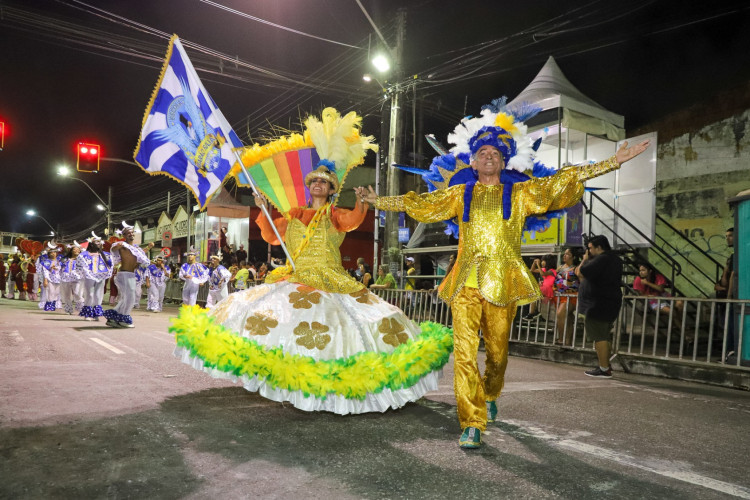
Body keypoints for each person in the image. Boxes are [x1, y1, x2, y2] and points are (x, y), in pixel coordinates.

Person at [365, 99, 649, 448]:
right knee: (465, 355)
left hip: (503, 284)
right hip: (465, 284)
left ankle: (492, 392)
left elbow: (563, 181)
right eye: (482, 152)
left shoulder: (522, 193)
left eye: (495, 153)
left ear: (504, 160)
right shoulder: (458, 193)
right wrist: (380, 202)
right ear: (472, 160)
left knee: (497, 354)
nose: (488, 156)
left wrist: (612, 162)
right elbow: (419, 204)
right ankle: (472, 422)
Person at [172, 107, 452, 415]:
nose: (318, 185)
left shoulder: (334, 215)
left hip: (331, 281)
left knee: (334, 335)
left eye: (324, 182)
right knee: (280, 330)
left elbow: (354, 221)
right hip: (293, 279)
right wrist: (263, 208)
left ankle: (327, 391)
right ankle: (288, 385)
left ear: (332, 190)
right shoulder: (293, 215)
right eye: (314, 181)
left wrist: (361, 201)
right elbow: (269, 234)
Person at [577, 235, 623, 378]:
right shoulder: (614, 259)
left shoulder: (602, 259)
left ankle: (604, 369)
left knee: (599, 337)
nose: (588, 251)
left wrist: (585, 260)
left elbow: (580, 272)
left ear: (599, 247)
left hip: (598, 305)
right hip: (608, 302)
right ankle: (605, 366)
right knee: (603, 335)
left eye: (590, 248)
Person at [104, 222, 154, 328]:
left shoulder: (136, 249)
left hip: (130, 275)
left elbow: (139, 258)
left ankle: (114, 317)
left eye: (132, 232)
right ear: (124, 236)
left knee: (127, 298)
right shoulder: (123, 246)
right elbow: (113, 249)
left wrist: (148, 248)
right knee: (131, 298)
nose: (130, 234)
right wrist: (118, 245)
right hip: (124, 274)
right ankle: (124, 319)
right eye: (127, 233)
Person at [632, 263, 684, 335]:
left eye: (643, 270)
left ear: (650, 271)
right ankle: (684, 331)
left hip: (664, 296)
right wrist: (647, 295)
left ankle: (677, 324)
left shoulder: (658, 277)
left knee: (680, 303)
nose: (641, 272)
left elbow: (660, 288)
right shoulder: (638, 279)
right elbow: (640, 294)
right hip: (653, 300)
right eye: (640, 270)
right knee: (671, 311)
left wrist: (647, 283)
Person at [77, 232, 113, 321]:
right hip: (89, 276)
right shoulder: (84, 255)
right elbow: (80, 266)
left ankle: (96, 313)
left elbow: (111, 265)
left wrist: (107, 273)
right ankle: (88, 313)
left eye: (99, 242)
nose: (98, 244)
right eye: (96, 242)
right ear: (91, 244)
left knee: (98, 294)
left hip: (101, 276)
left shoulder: (106, 255)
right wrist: (86, 273)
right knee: (89, 294)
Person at [553, 247, 580, 345]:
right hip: (559, 296)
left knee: (561, 314)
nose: (565, 256)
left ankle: (561, 339)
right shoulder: (560, 267)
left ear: (573, 256)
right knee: (567, 318)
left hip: (571, 296)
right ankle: (568, 342)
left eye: (567, 254)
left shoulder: (576, 268)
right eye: (564, 254)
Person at [524, 254, 557, 320]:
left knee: (534, 294)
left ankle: (532, 313)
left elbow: (543, 274)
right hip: (543, 287)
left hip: (548, 288)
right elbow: (532, 270)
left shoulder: (552, 271)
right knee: (534, 295)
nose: (542, 262)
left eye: (543, 261)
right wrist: (534, 263)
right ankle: (533, 312)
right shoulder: (544, 269)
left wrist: (538, 265)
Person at [60, 242, 84, 315]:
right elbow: (60, 267)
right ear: (71, 250)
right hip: (66, 277)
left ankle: (81, 309)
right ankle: (68, 309)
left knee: (77, 293)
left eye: (78, 249)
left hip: (77, 278)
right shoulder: (65, 259)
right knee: (67, 294)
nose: (76, 250)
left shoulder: (82, 259)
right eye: (74, 249)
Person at [41, 247, 62, 311]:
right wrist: (45, 280)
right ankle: (49, 305)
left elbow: (62, 270)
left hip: (59, 279)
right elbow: (45, 271)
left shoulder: (59, 261)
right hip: (50, 278)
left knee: (56, 293)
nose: (53, 254)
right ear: (49, 254)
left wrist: (57, 268)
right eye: (51, 253)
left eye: (54, 252)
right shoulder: (46, 261)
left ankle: (54, 304)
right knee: (50, 292)